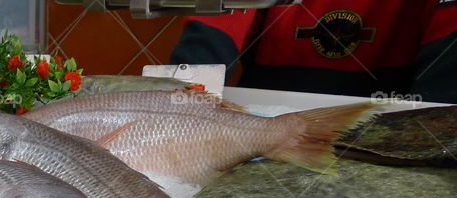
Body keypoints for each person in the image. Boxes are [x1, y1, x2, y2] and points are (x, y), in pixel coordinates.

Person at [169, 1, 457, 103]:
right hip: (260, 132)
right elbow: (207, 42)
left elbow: (442, 100)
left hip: (385, 143)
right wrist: (183, 101)